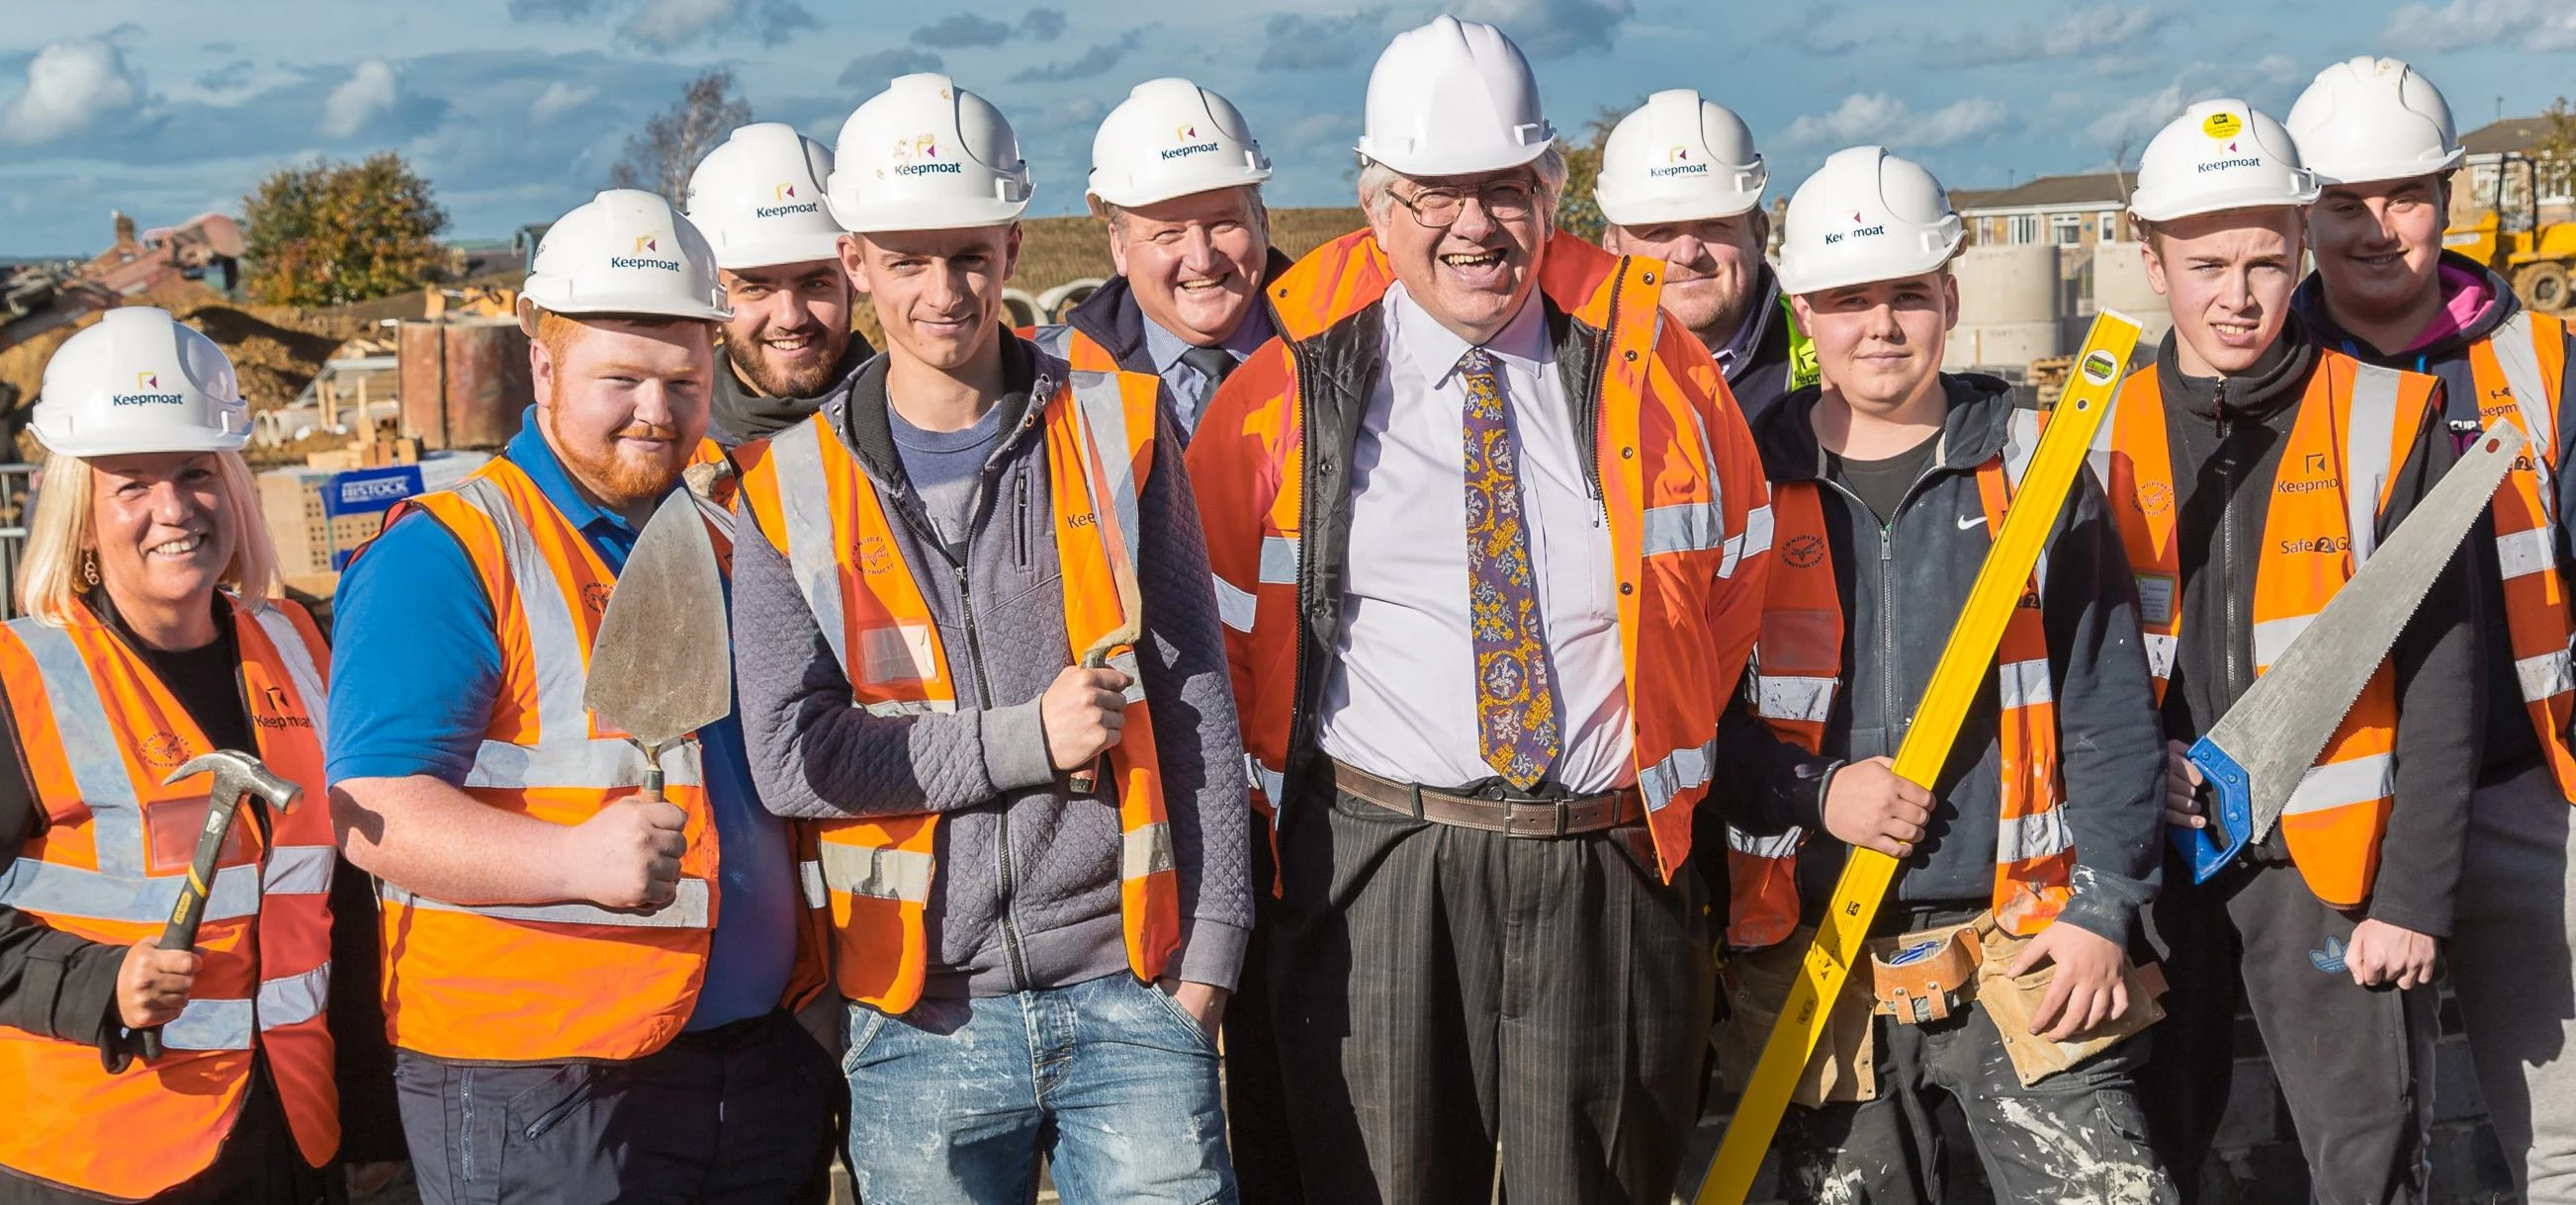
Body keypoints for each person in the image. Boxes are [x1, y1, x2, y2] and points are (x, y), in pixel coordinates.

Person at [1188, 17, 1772, 1201]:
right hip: (1377, 866)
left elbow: (1731, 587)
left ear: (1551, 194)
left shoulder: (1660, 376)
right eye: (1433, 196)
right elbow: (1216, 655)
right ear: (1374, 207)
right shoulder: (1270, 402)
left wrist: (1639, 773)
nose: (1472, 227)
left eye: (1503, 190)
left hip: (1607, 863)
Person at [730, 73, 1249, 1204]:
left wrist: (1208, 958)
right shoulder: (788, 487)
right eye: (907, 260)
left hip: (1130, 990)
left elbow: (1194, 685)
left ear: (1014, 244)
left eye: (967, 254)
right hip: (919, 1009)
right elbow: (790, 755)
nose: (943, 291)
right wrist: (1025, 739)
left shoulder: (1115, 418)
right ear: (856, 260)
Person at [326, 190, 838, 1205]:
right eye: (623, 380)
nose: (657, 411)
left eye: (684, 381)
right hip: (540, 1077)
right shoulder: (451, 553)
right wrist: (569, 858)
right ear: (544, 363)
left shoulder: (734, 527)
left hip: (757, 1058)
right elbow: (371, 812)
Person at [1710, 146, 2175, 1203]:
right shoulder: (1739, 479)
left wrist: (2104, 910)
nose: (1879, 325)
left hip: (2028, 942)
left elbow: (2105, 706)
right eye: (1847, 299)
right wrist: (1816, 790)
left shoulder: (2035, 467)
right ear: (1803, 311)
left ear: (1949, 297)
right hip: (1815, 955)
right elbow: (1694, 723)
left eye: (1906, 295)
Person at [2102, 100, 2480, 1204]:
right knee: (2150, 1154)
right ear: (2147, 255)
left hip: (2335, 876)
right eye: (2205, 263)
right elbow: (2068, 670)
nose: (2237, 294)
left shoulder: (2392, 419)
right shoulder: (2092, 437)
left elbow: (2443, 678)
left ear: (2300, 244)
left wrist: (2411, 896)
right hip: (2159, 863)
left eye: (2266, 261)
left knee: (2364, 1162)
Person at [2288, 56, 2576, 1201]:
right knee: (2366, 1161)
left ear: (2448, 196)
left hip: (2525, 796)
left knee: (2561, 1145)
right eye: (2345, 203)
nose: (2376, 228)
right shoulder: (2268, 373)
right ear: (2303, 211)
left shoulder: (2539, 366)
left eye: (2404, 196)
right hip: (2339, 825)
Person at [0, 307, 342, 1203]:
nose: (174, 509)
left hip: (292, 1132)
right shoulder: (20, 677)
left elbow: (337, 901)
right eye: (131, 484)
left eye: (197, 472)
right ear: (80, 516)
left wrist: (367, 1121)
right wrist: (97, 982)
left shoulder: (299, 644)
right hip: (101, 1155)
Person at [1034, 78, 1290, 442]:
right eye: (1168, 233)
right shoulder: (1052, 379)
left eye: (1224, 223)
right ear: (1119, 247)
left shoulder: (1343, 352)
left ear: (1262, 224)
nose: (1202, 259)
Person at [1595, 89, 1815, 422]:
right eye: (1658, 231)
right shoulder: (1571, 370)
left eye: (1713, 225)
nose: (1687, 253)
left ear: (1758, 236)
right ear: (1612, 248)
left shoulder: (1834, 354)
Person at [685, 122, 876, 449]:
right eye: (755, 289)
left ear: (853, 280)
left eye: (815, 284)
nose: (790, 317)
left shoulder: (912, 433)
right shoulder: (670, 444)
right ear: (712, 295)